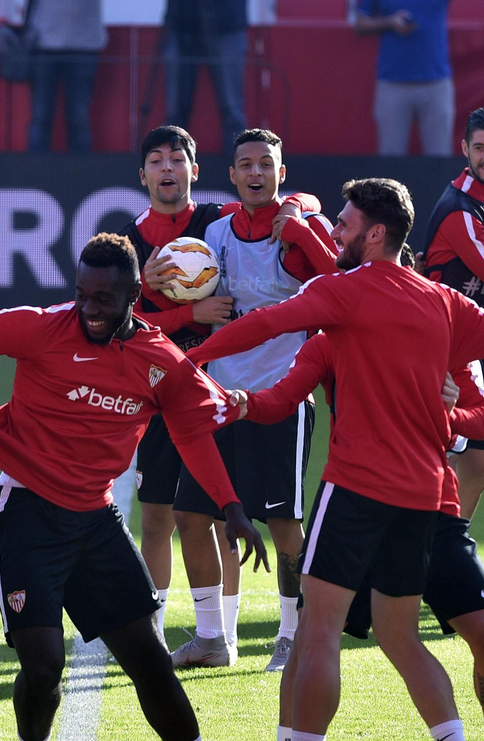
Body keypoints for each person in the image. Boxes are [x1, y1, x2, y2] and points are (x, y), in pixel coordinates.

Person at [188, 178, 484, 741]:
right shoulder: (442, 306)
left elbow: (263, 323)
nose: (333, 234)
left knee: (317, 631)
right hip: (422, 497)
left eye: (342, 224)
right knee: (401, 634)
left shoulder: (337, 295)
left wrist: (194, 361)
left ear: (376, 233)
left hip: (355, 491)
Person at [0, 233, 275, 741]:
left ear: (135, 295)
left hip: (95, 517)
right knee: (43, 664)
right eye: (82, 294)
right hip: (25, 512)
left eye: (105, 299)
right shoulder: (41, 328)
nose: (90, 308)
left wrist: (231, 504)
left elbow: (190, 431)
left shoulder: (160, 360)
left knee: (152, 661)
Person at [245, 334, 484, 741]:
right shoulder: (336, 330)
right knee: (313, 637)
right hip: (354, 502)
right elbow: (282, 387)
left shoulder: (446, 327)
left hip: (428, 505)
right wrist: (224, 387)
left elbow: (483, 418)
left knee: (482, 632)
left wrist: (449, 411)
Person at [118, 125, 311, 649]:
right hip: (162, 392)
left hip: (237, 392)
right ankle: (170, 631)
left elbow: (289, 204)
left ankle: (249, 629)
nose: (166, 169)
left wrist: (296, 204)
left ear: (196, 172)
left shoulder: (217, 223)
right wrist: (168, 299)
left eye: (176, 159)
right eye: (155, 160)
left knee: (253, 515)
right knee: (167, 514)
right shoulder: (132, 245)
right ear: (142, 175)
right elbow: (118, 319)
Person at [171, 128, 329, 673]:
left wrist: (305, 231)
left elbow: (341, 283)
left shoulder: (305, 229)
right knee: (190, 515)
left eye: (267, 163)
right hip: (217, 399)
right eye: (246, 164)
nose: (256, 172)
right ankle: (213, 636)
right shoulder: (212, 234)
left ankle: (294, 634)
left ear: (282, 174)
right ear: (233, 176)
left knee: (284, 523)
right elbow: (174, 291)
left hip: (281, 397)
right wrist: (171, 293)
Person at [422, 105, 484, 520]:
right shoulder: (461, 208)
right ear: (464, 148)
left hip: (471, 350)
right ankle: (433, 553)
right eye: (480, 148)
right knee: (444, 466)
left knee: (477, 466)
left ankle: (446, 546)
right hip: (443, 350)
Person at [355, 0, 454, 157]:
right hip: (393, 83)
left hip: (435, 83)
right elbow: (360, 24)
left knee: (439, 157)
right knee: (390, 158)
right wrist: (389, 22)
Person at [162, 0, 247, 154]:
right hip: (181, 20)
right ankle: (172, 167)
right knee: (175, 111)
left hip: (226, 21)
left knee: (232, 109)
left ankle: (239, 168)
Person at [26, 0, 105, 153]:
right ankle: (34, 172)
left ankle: (81, 173)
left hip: (84, 43)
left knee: (79, 115)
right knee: (40, 115)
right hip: (44, 42)